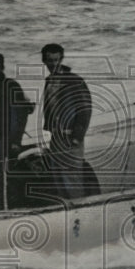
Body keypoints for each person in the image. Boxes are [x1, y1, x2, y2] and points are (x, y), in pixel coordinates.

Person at [41, 43, 97, 199]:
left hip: (70, 137)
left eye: (56, 60)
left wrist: (77, 137)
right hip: (56, 138)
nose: (53, 64)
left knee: (72, 179)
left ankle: (81, 212)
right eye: (50, 60)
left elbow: (85, 110)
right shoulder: (49, 81)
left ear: (61, 59)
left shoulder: (74, 80)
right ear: (44, 61)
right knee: (58, 178)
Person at [0, 52, 34, 210]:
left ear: (1, 67)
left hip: (6, 139)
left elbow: (21, 114)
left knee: (6, 177)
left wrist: (16, 140)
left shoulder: (10, 85)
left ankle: (8, 208)